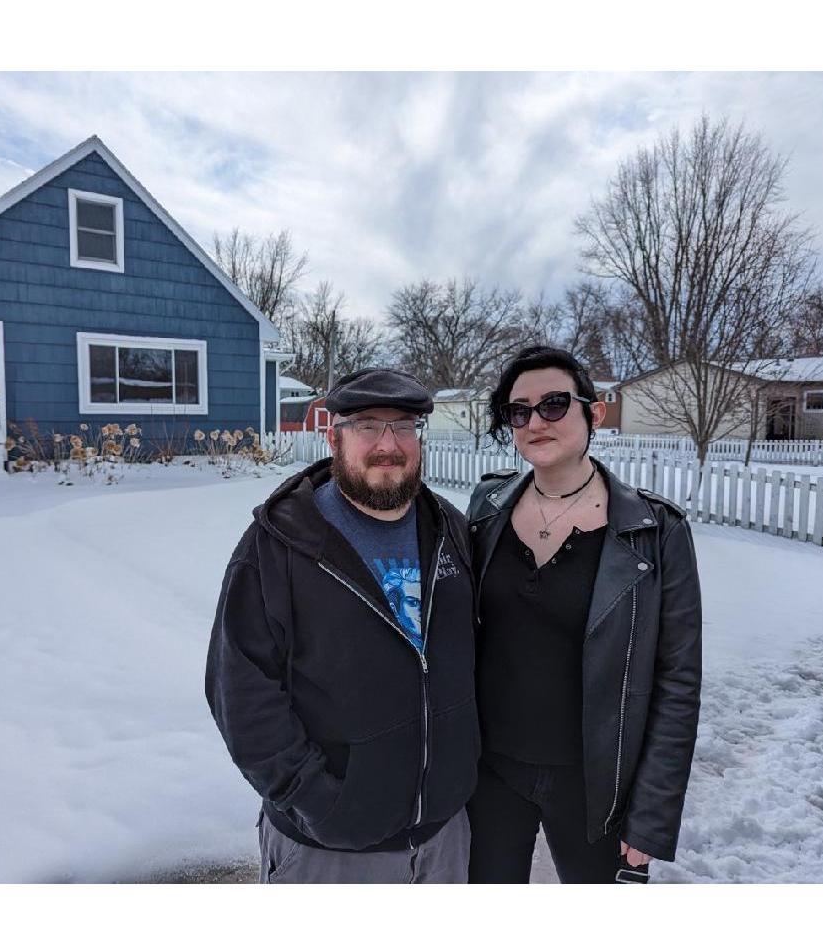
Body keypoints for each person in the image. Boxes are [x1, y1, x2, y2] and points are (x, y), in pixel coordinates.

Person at [206, 367, 480, 883]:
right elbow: (239, 691)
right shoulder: (278, 547)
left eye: (403, 427)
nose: (388, 445)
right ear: (335, 436)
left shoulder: (449, 529)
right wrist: (319, 801)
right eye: (367, 426)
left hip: (444, 837)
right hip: (329, 850)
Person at [466, 346, 702, 883]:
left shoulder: (655, 531)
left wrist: (650, 820)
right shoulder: (486, 511)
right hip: (490, 774)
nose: (534, 421)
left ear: (592, 414)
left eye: (553, 404)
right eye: (518, 410)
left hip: (595, 784)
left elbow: (678, 680)